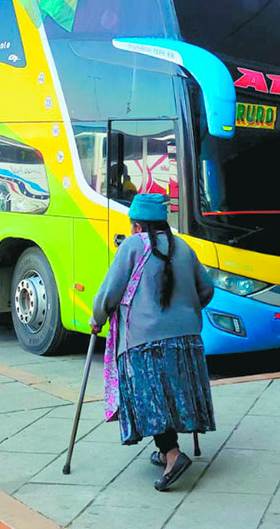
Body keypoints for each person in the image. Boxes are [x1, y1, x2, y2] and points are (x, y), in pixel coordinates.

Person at [91, 193, 216, 492]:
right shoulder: (184, 247)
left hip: (145, 340)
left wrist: (98, 317)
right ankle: (164, 451)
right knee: (172, 394)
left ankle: (173, 455)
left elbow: (109, 293)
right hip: (187, 340)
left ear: (136, 226)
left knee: (152, 399)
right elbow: (207, 289)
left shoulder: (133, 246)